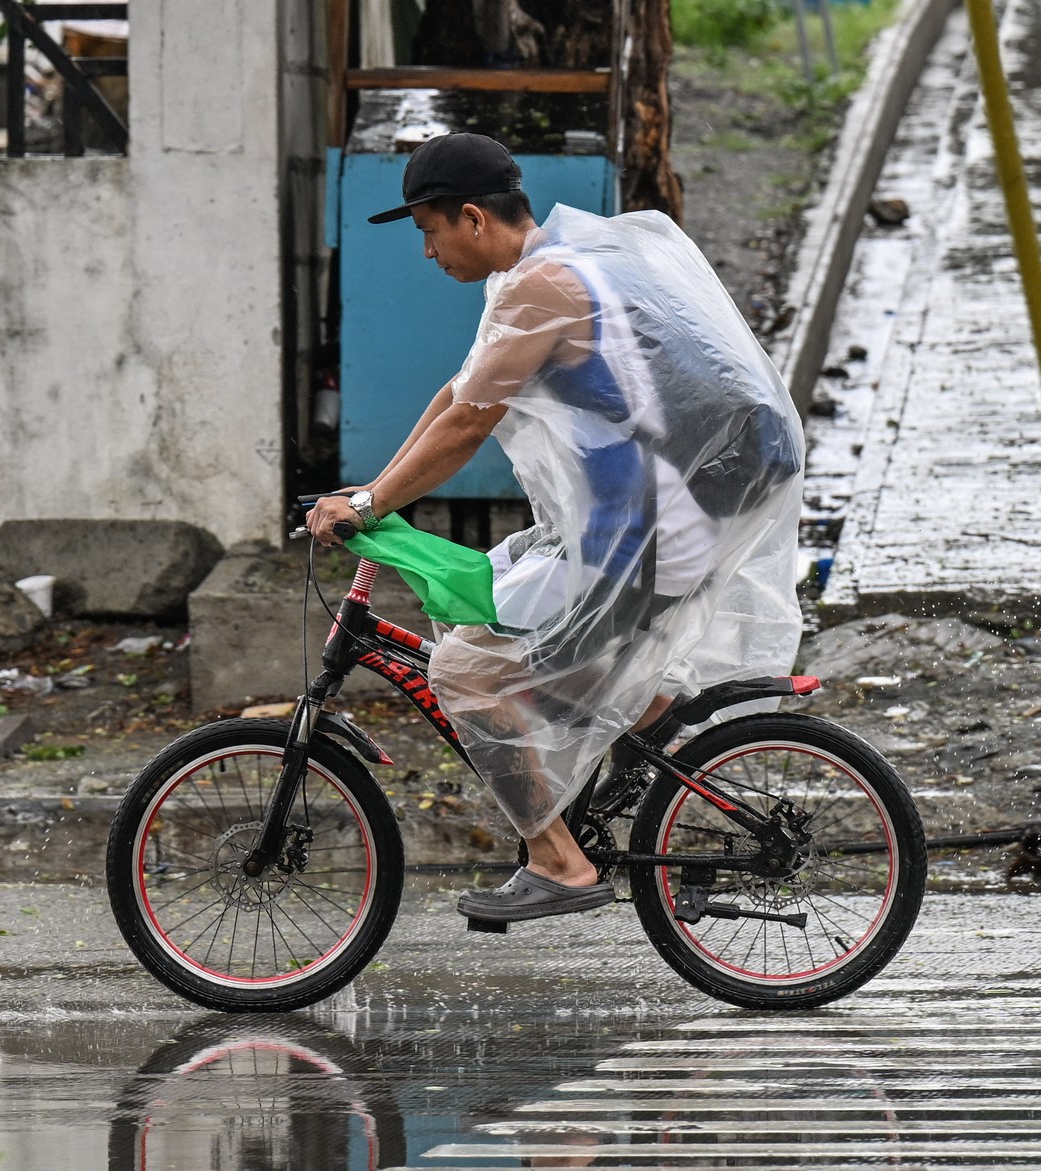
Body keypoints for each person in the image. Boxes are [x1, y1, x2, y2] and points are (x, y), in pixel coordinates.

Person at [306, 132, 803, 924]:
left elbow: (468, 427)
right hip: (633, 524)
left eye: (429, 232)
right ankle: (649, 746)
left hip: (647, 533)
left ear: (472, 218)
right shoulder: (540, 275)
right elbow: (457, 395)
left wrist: (367, 509)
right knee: (524, 654)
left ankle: (561, 864)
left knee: (469, 674)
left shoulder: (543, 287)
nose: (428, 253)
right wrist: (375, 491)